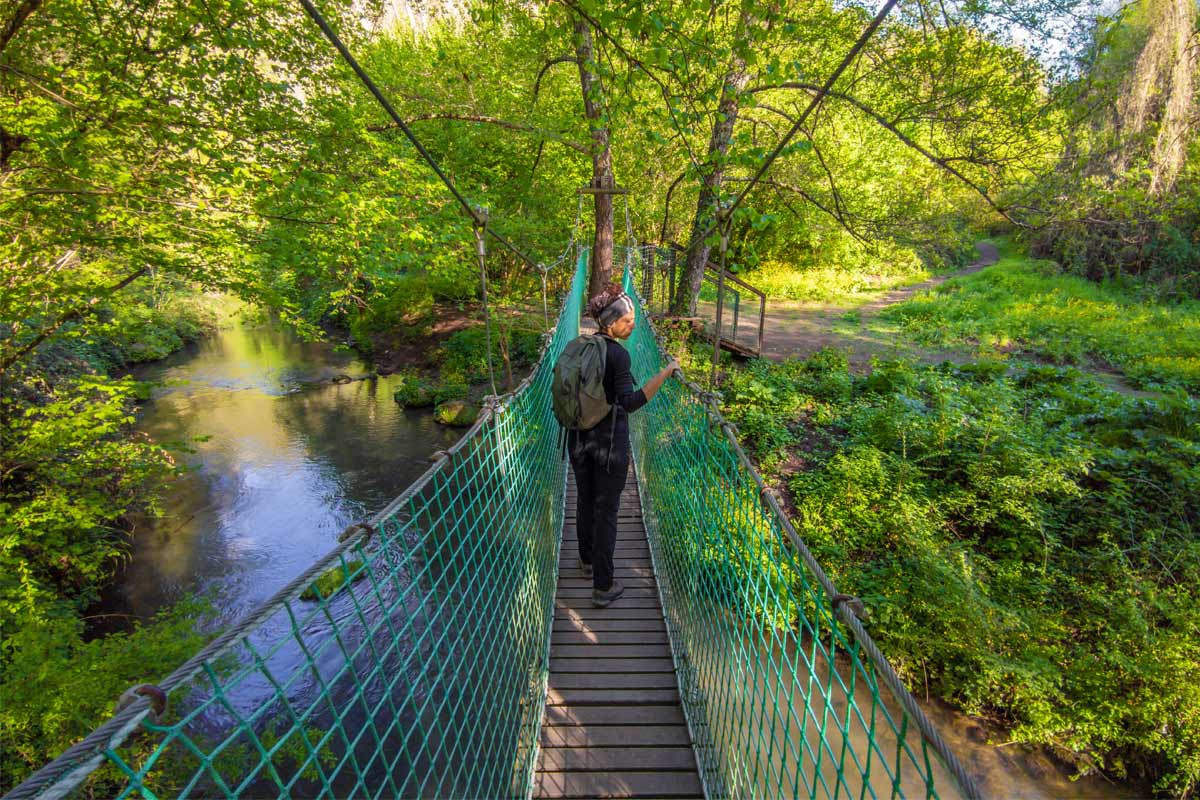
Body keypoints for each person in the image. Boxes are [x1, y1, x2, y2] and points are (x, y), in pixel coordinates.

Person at [569, 282, 679, 608]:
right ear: (610, 322)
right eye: (628, 322)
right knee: (606, 513)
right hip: (609, 447)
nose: (632, 326)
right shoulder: (618, 354)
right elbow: (629, 402)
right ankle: (603, 586)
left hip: (577, 441)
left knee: (585, 500)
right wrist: (664, 373)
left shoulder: (578, 346)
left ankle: (586, 561)